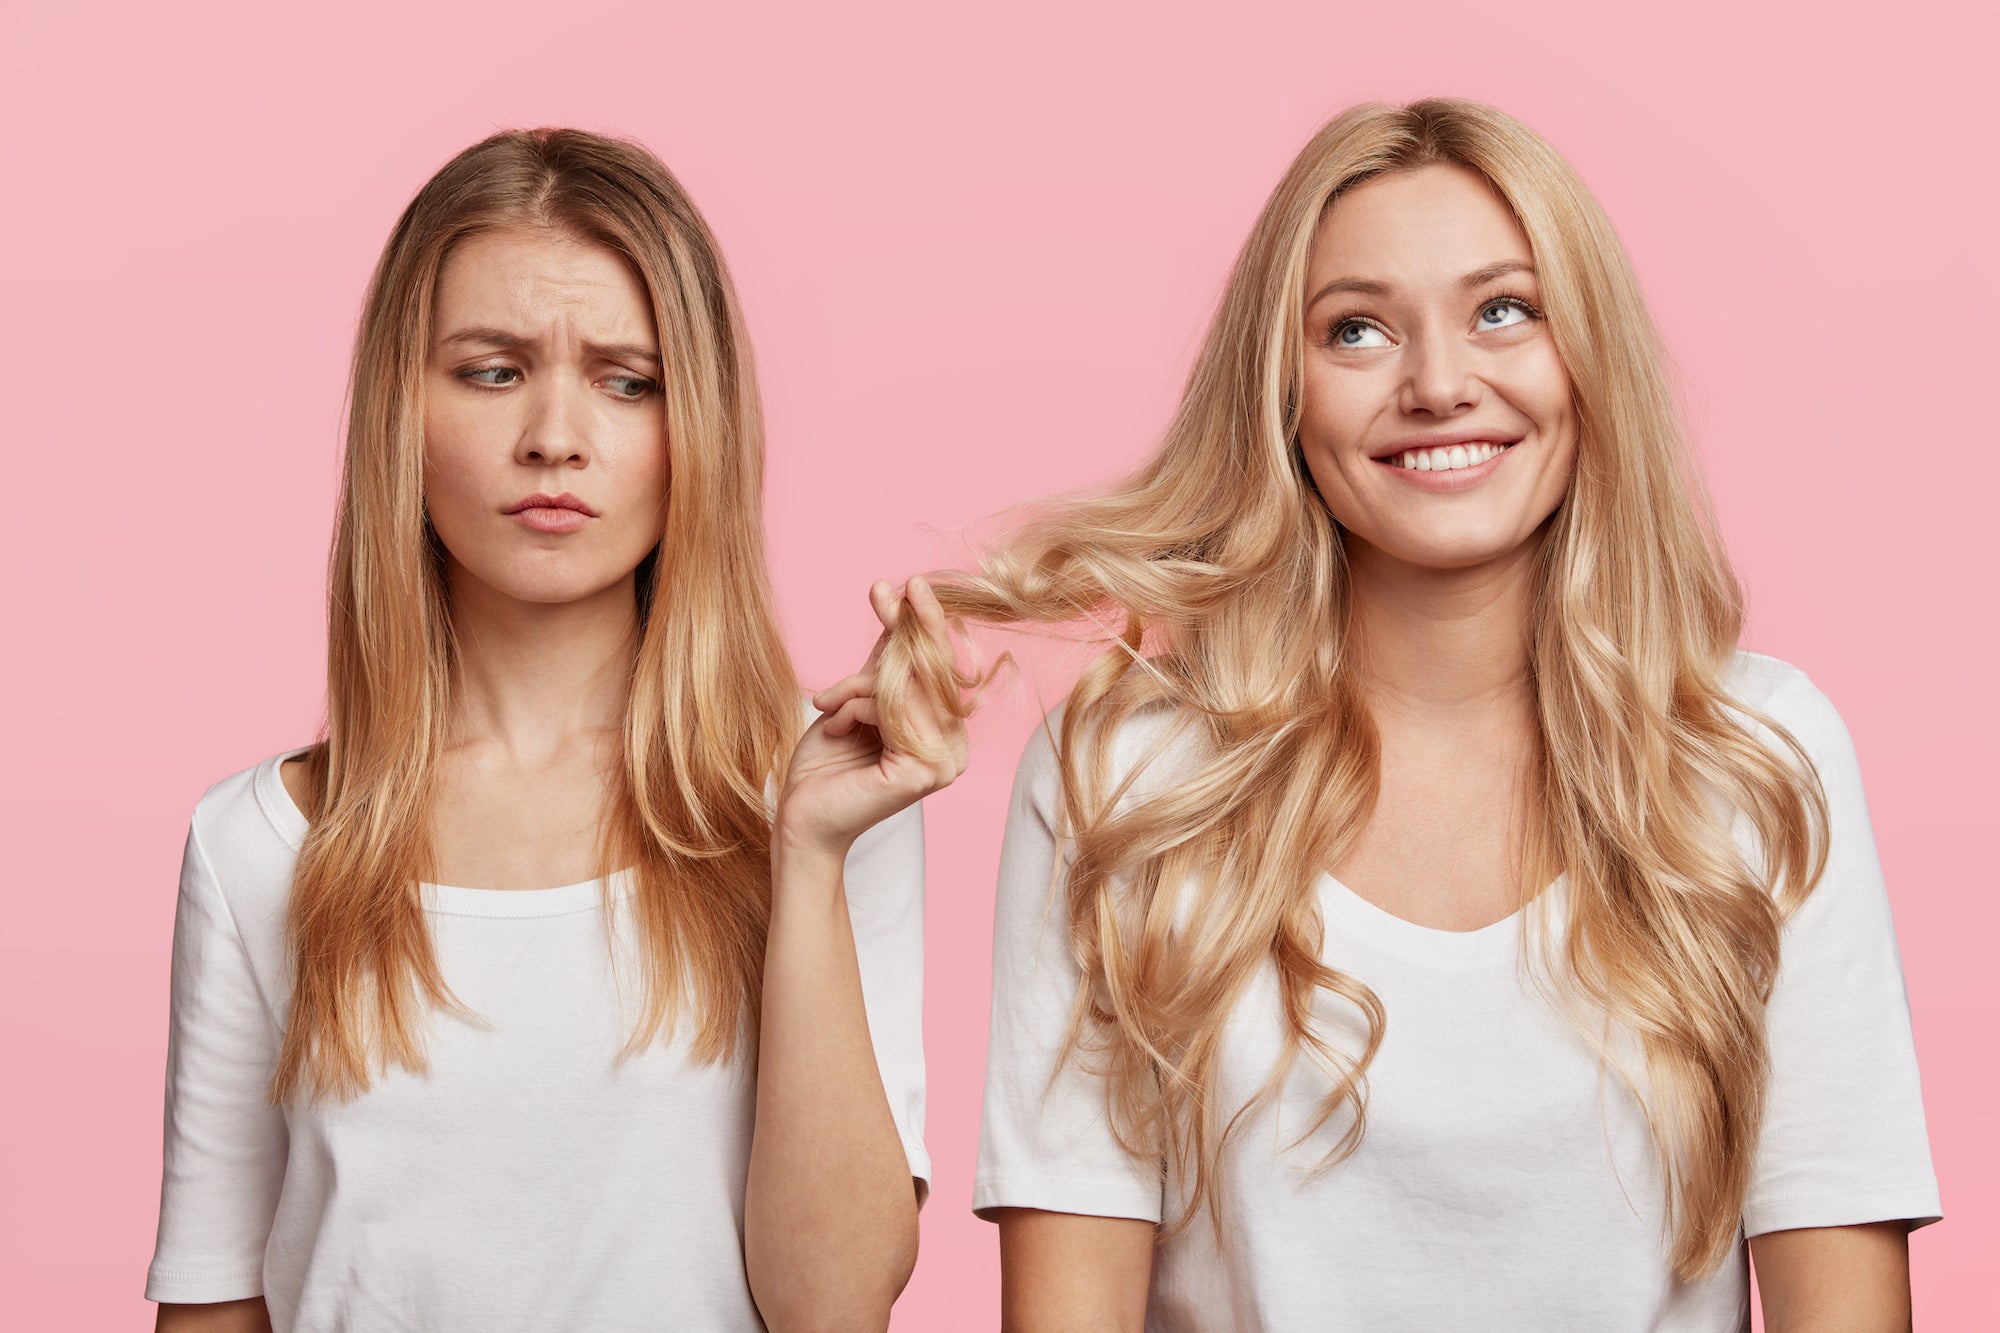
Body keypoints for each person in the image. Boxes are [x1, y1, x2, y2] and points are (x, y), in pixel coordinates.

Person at [884, 98, 1939, 1329]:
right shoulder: (1128, 775)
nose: (1439, 384)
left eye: (1504, 310)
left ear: (1586, 354)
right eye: (1357, 330)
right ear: (1283, 395)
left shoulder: (1759, 757)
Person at [146, 128, 964, 1333]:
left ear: (700, 428)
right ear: (399, 411)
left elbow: (833, 1309)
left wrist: (806, 853)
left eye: (628, 380)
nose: (556, 438)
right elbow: (212, 1306)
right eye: (492, 370)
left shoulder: (824, 801)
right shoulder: (256, 842)